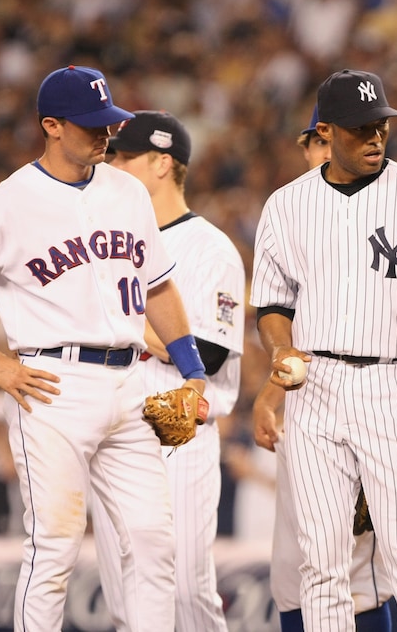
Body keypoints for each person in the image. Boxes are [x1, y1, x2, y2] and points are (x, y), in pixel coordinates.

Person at [0, 65, 207, 632]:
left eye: (109, 122)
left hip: (129, 382)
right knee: (56, 547)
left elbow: (159, 285)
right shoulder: (5, 203)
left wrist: (191, 370)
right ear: (51, 126)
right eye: (90, 124)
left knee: (153, 539)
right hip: (51, 385)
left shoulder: (126, 190)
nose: (105, 134)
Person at [250, 69, 397, 632]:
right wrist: (280, 352)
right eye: (360, 129)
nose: (376, 137)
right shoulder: (286, 206)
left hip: (392, 385)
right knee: (322, 565)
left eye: (380, 125)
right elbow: (272, 306)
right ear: (326, 132)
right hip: (314, 388)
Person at [95, 110, 245, 632]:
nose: (110, 164)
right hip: (114, 432)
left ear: (162, 163)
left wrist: (128, 324)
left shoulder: (210, 248)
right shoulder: (112, 243)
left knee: (184, 591)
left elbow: (211, 351)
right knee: (123, 598)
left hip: (177, 434)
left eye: (122, 156)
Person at [252, 105, 397, 631]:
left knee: (361, 570)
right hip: (308, 406)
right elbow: (288, 328)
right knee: (299, 568)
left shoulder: (381, 210)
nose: (315, 155)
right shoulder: (296, 215)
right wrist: (270, 396)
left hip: (368, 397)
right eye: (311, 145)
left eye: (321, 144)